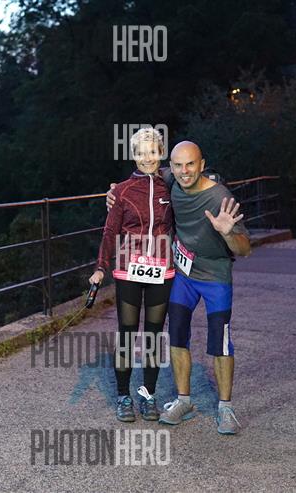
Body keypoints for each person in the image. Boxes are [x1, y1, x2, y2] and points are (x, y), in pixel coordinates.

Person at [106, 140, 251, 435]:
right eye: (178, 165)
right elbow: (144, 173)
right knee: (177, 336)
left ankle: (225, 408)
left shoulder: (220, 197)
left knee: (220, 342)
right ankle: (183, 401)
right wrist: (114, 193)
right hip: (183, 275)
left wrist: (228, 234)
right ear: (171, 167)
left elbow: (245, 249)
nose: (184, 171)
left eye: (191, 164)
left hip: (215, 275)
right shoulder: (169, 180)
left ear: (202, 165)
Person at [89, 127, 175, 422]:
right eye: (140, 152)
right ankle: (123, 396)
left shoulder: (171, 187)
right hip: (128, 270)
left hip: (162, 270)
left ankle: (148, 396)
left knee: (153, 335)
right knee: (127, 333)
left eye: (152, 152)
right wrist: (101, 267)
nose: (147, 158)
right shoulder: (122, 191)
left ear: (160, 153)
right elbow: (109, 231)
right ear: (133, 155)